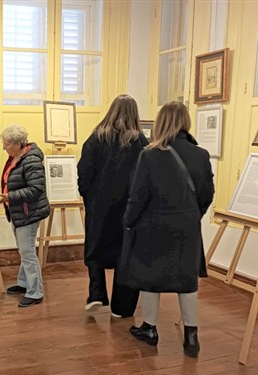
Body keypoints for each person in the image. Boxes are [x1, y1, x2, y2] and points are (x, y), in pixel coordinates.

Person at [118, 101, 214, 357]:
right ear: (186, 121)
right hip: (188, 226)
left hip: (154, 225)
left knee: (150, 277)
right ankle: (191, 336)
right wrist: (192, 215)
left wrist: (128, 221)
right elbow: (207, 194)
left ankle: (150, 328)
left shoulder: (150, 155)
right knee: (187, 280)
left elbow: (138, 196)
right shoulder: (201, 155)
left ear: (161, 122)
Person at [77, 94, 149, 317]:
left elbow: (84, 172)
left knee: (95, 247)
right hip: (130, 207)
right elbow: (147, 176)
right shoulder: (141, 143)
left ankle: (97, 293)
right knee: (126, 254)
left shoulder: (96, 138)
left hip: (100, 205)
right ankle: (122, 307)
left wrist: (88, 196)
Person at [0, 125, 50, 307]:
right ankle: (24, 283)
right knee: (23, 249)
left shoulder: (31, 160)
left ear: (18, 144)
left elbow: (36, 189)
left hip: (29, 212)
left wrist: (9, 197)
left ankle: (35, 292)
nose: (3, 147)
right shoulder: (15, 157)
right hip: (18, 211)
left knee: (27, 252)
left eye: (6, 143)